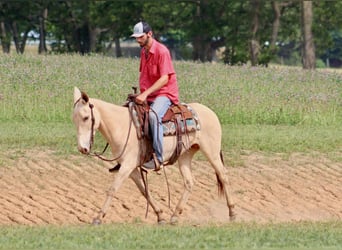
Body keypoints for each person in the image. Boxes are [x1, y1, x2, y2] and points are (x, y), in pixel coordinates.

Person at [131, 21, 179, 171]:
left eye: (140, 37)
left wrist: (145, 93)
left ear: (149, 34)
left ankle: (158, 158)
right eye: (136, 38)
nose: (138, 40)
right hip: (150, 94)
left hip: (164, 93)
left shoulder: (162, 51)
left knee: (153, 115)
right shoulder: (143, 51)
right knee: (130, 112)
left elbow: (164, 78)